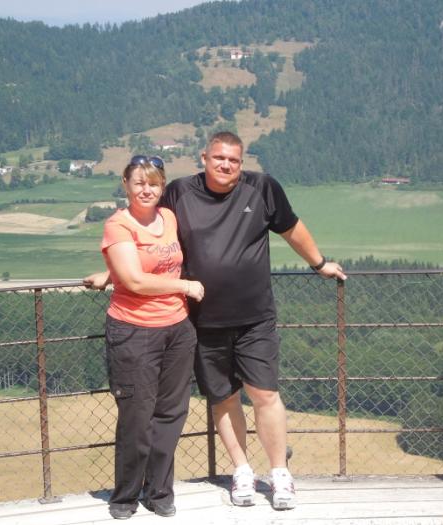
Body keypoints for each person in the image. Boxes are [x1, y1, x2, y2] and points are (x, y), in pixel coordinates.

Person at [159, 131, 346, 510]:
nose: (226, 165)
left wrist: (320, 264)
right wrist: (117, 272)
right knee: (223, 398)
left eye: (233, 160)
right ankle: (242, 471)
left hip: (255, 318)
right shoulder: (179, 192)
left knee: (265, 394)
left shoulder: (262, 188)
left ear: (241, 163)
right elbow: (151, 236)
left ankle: (280, 474)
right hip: (201, 320)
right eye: (219, 158)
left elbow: (292, 228)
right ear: (204, 158)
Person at [85, 155, 204, 520]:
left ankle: (160, 492)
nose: (146, 189)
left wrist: (109, 273)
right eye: (139, 182)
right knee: (136, 417)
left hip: (178, 329)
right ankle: (125, 497)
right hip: (134, 332)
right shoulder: (118, 225)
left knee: (171, 413)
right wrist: (184, 286)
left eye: (153, 183)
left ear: (162, 186)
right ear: (125, 185)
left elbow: (146, 264)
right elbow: (135, 280)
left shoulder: (168, 218)